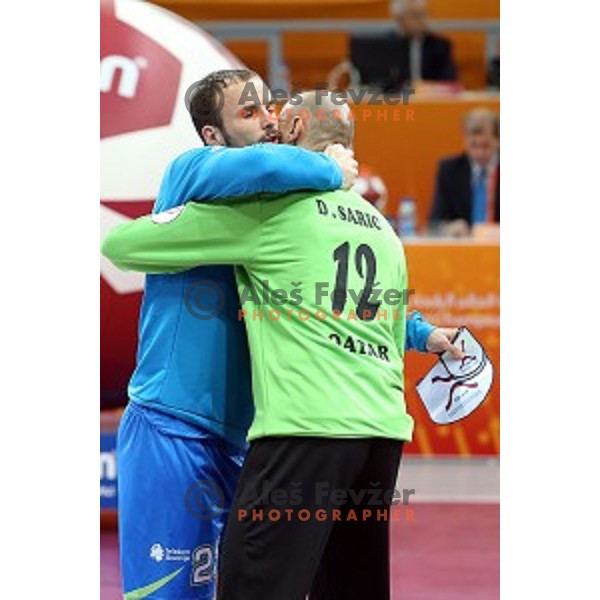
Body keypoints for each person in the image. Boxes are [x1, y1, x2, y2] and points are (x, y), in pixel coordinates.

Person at [102, 91, 463, 600]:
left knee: (252, 585)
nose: (268, 126)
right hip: (382, 436)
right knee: (350, 588)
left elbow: (123, 246)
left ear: (293, 134)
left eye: (277, 120)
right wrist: (426, 335)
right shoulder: (383, 229)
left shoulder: (273, 211)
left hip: (305, 430)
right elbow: (391, 314)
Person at [114, 68, 362, 600]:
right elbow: (261, 162)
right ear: (212, 136)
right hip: (171, 424)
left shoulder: (279, 207)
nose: (270, 122)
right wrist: (324, 164)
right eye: (249, 113)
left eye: (269, 109)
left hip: (243, 440)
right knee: (169, 594)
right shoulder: (191, 171)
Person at [329, 0, 457, 91]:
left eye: (424, 14)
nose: (422, 21)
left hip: (429, 103)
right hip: (393, 101)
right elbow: (370, 81)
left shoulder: (439, 45)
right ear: (399, 18)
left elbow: (449, 82)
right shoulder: (382, 46)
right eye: (415, 16)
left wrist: (422, 88)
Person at [429, 108, 500, 237]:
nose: (479, 153)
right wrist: (449, 228)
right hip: (464, 248)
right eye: (474, 145)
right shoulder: (450, 170)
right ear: (465, 141)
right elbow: (434, 223)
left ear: (498, 141)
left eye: (486, 145)